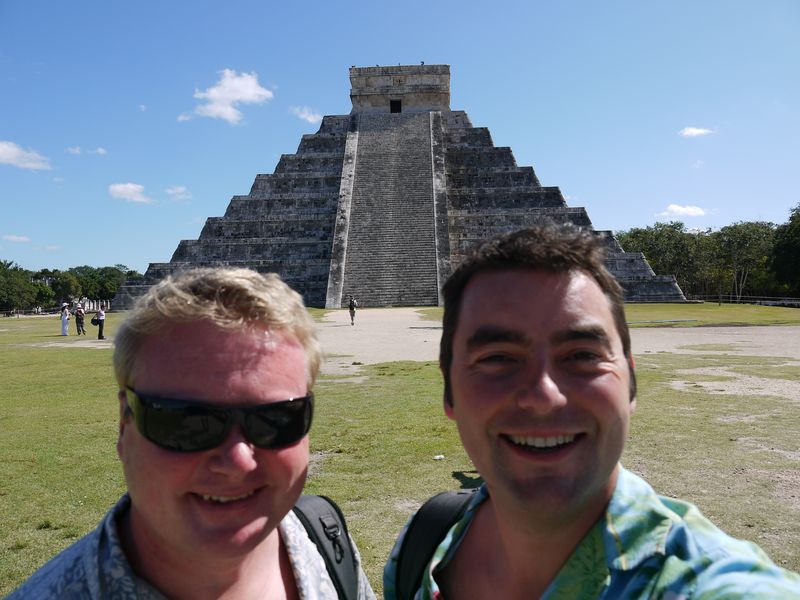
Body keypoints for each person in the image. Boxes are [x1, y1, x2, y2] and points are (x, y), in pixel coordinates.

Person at [384, 225, 800, 599]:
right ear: (449, 391)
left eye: (582, 355)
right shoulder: (423, 548)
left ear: (631, 383)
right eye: (497, 358)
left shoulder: (714, 586)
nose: (544, 396)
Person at [11, 267, 375, 599]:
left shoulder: (329, 548)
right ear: (125, 423)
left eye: (276, 417)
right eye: (187, 420)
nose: (236, 461)